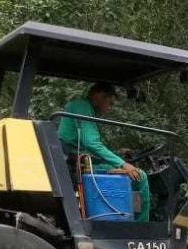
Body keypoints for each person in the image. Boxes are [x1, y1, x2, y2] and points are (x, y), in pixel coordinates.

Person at [58, 82, 151, 222]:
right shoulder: (82, 106)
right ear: (99, 96)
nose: (109, 108)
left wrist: (118, 154)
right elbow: (91, 143)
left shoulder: (80, 105)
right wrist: (122, 164)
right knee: (140, 176)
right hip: (75, 165)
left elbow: (87, 148)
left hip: (74, 160)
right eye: (110, 102)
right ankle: (140, 225)